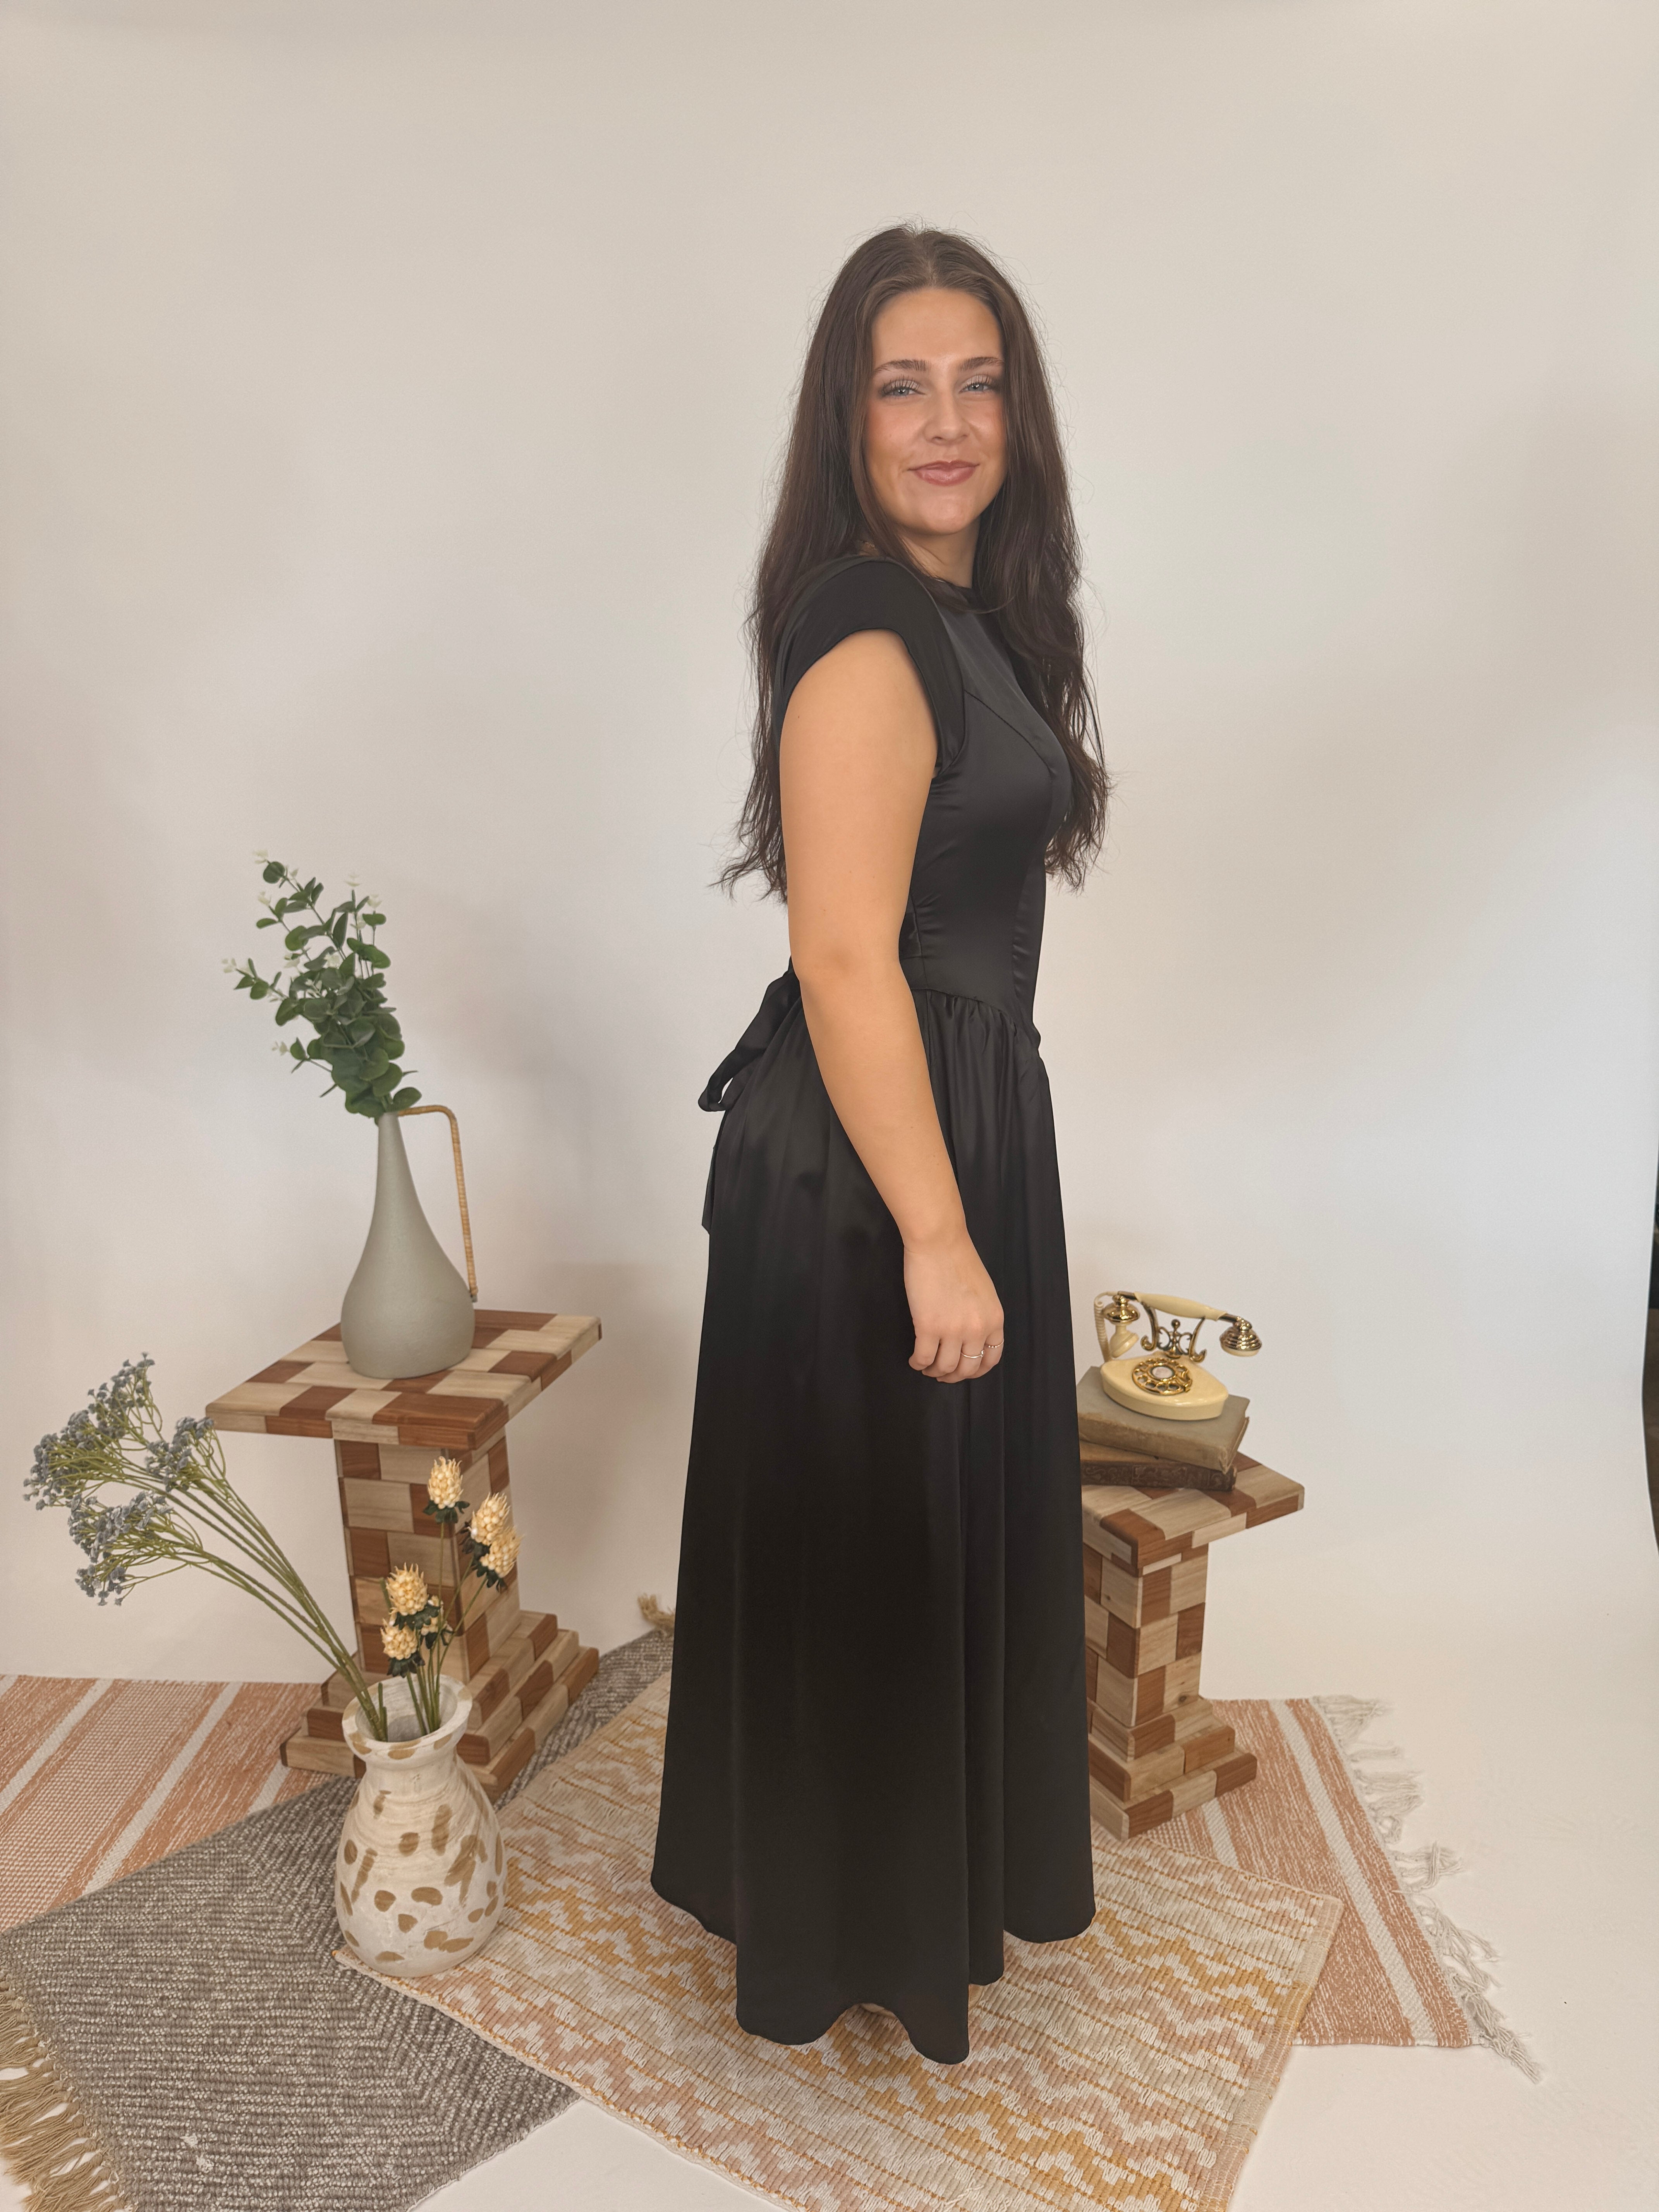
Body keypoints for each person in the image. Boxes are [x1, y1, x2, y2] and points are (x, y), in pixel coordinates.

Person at [649, 223, 1109, 2067]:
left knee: (905, 1548)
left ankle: (895, 1900)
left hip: (941, 1116)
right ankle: (845, 1943)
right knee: (872, 1547)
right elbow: (840, 952)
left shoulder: (977, 621)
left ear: (1020, 413)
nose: (946, 420)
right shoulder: (863, 628)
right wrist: (936, 1226)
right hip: (869, 1162)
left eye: (977, 380)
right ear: (846, 417)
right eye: (901, 383)